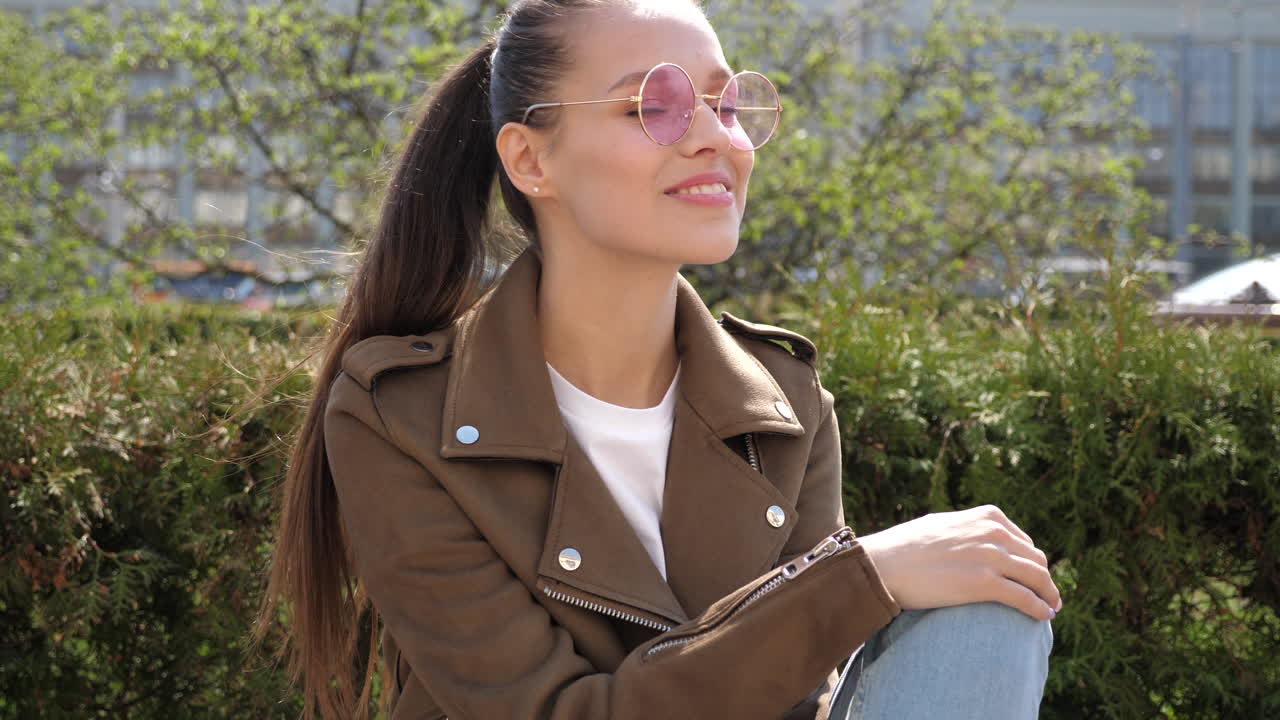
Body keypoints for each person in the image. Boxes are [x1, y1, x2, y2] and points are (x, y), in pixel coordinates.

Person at [255, 0, 1061, 718]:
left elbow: (792, 697)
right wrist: (863, 576)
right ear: (531, 160)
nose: (718, 136)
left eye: (726, 102)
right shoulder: (398, 415)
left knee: (990, 604)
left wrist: (870, 586)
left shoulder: (785, 403)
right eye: (657, 105)